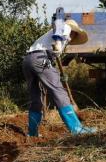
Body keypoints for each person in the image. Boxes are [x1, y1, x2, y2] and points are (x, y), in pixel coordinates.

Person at [23, 8, 95, 136]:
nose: (73, 38)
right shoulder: (66, 29)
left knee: (36, 98)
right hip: (40, 58)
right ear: (73, 32)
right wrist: (58, 41)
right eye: (75, 35)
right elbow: (59, 19)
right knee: (59, 92)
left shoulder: (49, 38)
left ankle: (32, 133)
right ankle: (76, 129)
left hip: (28, 60)